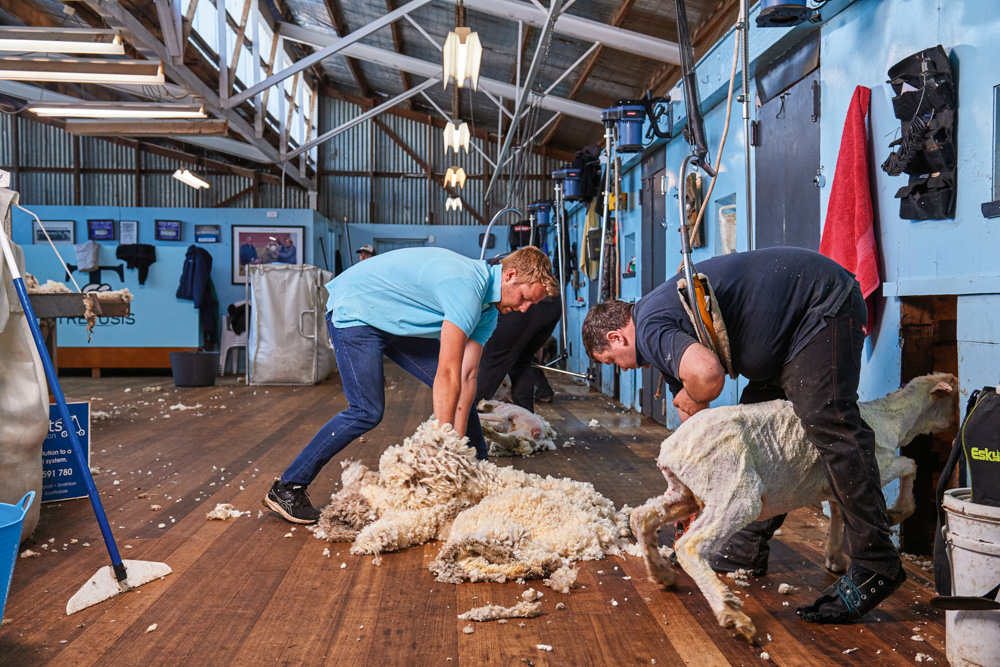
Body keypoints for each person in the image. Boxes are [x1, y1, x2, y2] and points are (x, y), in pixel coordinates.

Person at [581, 246, 904, 626]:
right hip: (787, 339)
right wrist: (695, 495)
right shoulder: (660, 327)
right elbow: (695, 421)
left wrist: (692, 394)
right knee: (757, 437)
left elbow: (706, 378)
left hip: (821, 308)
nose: (622, 369)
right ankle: (744, 549)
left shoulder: (649, 327)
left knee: (831, 426)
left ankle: (876, 563)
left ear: (617, 337)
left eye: (612, 362)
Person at [264, 245, 559, 524]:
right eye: (524, 298)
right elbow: (447, 372)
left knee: (462, 395)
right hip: (357, 309)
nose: (524, 309)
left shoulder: (488, 312)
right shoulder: (467, 287)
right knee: (366, 410)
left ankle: (478, 478)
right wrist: (441, 452)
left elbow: (467, 377)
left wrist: (456, 451)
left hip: (391, 317)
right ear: (510, 276)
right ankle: (287, 488)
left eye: (531, 304)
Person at [476, 295, 561, 412]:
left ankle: (470, 415)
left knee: (493, 360)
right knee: (520, 362)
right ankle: (525, 418)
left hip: (527, 302)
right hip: (551, 305)